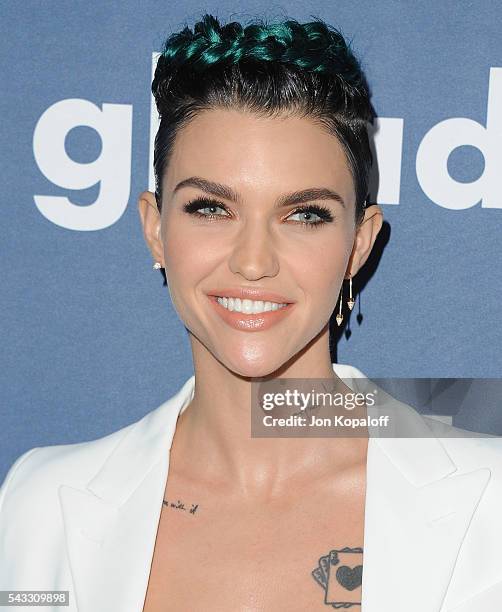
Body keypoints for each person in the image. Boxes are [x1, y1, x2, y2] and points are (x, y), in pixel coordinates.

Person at [1, 12, 502, 612]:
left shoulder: (488, 505)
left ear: (359, 244)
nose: (253, 261)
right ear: (155, 229)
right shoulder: (39, 507)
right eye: (211, 209)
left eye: (305, 214)